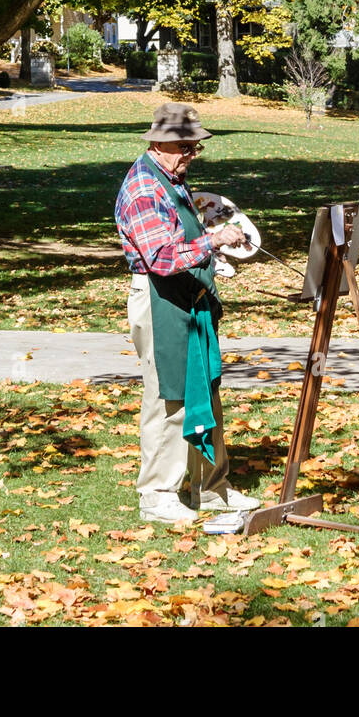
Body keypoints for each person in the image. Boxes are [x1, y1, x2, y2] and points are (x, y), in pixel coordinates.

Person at [115, 102, 261, 524]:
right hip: (160, 297)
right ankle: (157, 495)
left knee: (205, 388)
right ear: (158, 143)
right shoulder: (144, 188)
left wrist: (210, 248)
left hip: (188, 293)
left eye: (196, 148)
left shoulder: (170, 176)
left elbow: (177, 235)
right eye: (186, 147)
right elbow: (160, 258)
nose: (192, 155)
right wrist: (213, 243)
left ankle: (211, 489)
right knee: (171, 396)